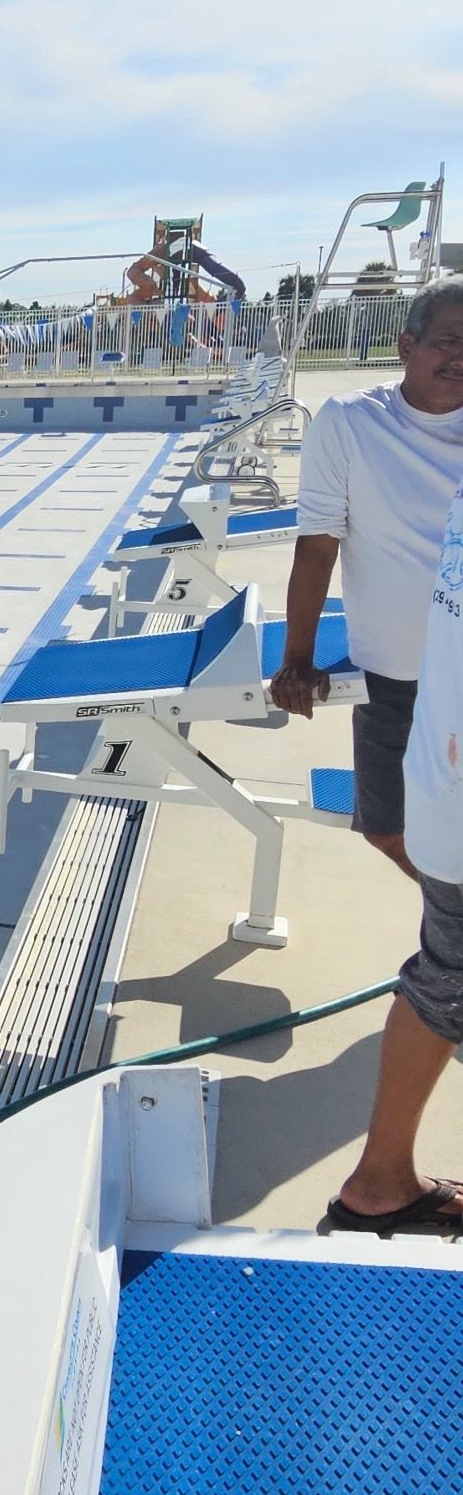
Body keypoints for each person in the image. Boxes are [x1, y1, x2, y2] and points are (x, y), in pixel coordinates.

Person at [270, 278, 463, 875]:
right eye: (446, 341)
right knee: (387, 827)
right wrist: (297, 657)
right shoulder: (352, 421)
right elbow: (318, 545)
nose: (460, 358)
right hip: (394, 672)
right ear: (406, 347)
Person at [328, 469, 463, 1230]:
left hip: (445, 782)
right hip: (453, 791)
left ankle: (381, 1179)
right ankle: (379, 1182)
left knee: (445, 978)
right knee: (447, 980)